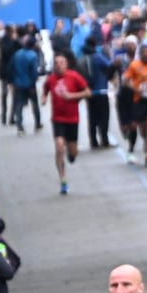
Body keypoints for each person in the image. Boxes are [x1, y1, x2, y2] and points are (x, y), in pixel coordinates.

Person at [42, 54, 89, 195]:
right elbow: (45, 90)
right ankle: (63, 179)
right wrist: (44, 98)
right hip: (58, 119)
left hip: (72, 119)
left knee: (72, 154)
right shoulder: (51, 80)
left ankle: (72, 153)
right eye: (56, 63)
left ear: (66, 64)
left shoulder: (74, 76)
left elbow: (87, 92)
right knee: (59, 145)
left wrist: (72, 96)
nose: (58, 65)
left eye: (61, 62)